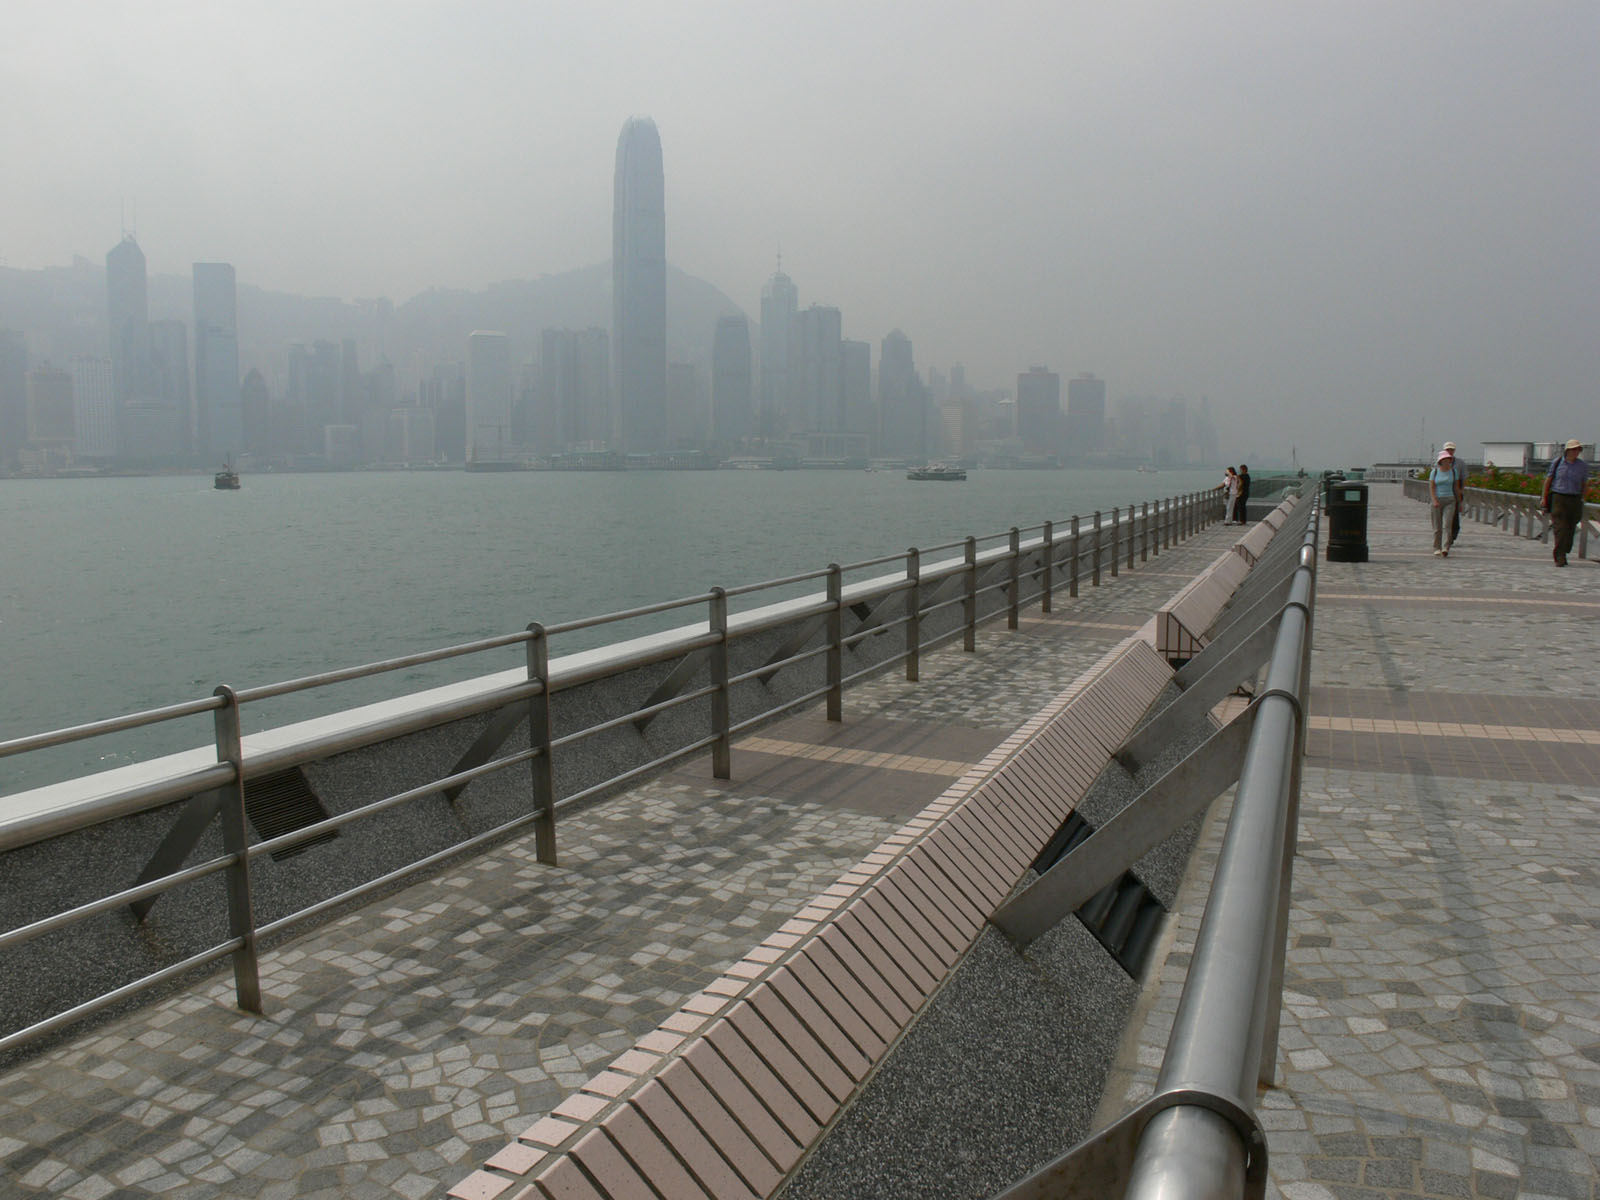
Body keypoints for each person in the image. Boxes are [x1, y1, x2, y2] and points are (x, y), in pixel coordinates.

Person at [1540, 438, 1590, 567]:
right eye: (1573, 449)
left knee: (1570, 527)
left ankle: (1564, 550)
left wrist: (1583, 498)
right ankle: (1559, 556)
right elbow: (1549, 480)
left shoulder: (1582, 466)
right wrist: (1544, 497)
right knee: (1560, 527)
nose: (1576, 452)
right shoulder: (1557, 463)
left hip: (1574, 499)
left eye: (1578, 449)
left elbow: (1584, 484)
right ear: (1567, 450)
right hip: (1559, 498)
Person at [1429, 449, 1459, 556]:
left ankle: (1446, 547)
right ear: (1440, 461)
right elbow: (1432, 487)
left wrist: (1459, 502)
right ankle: (1437, 547)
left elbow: (1456, 487)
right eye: (1444, 459)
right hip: (1437, 500)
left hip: (1450, 500)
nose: (1447, 461)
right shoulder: (1435, 472)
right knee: (1437, 527)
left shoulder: (1454, 472)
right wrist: (1434, 500)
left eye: (1448, 459)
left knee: (1447, 525)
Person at [1443, 441, 1463, 544]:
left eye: (1451, 449)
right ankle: (1446, 536)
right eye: (1447, 449)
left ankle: (1452, 535)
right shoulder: (1439, 462)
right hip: (1442, 492)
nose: (1449, 451)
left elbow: (1463, 478)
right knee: (1444, 517)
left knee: (1454, 515)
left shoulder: (1460, 463)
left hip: (1455, 492)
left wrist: (1461, 492)